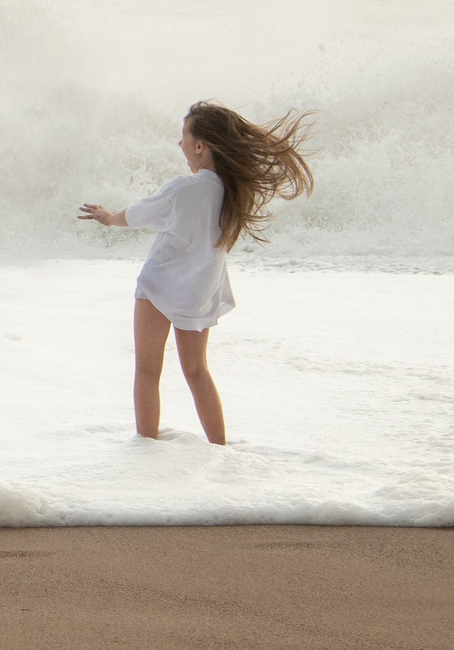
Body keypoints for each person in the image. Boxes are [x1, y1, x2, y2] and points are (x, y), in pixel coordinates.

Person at [79, 102, 315, 444]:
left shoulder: (184, 188)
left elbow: (140, 214)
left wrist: (108, 217)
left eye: (184, 137)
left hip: (159, 286)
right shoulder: (233, 194)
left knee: (147, 370)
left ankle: (146, 447)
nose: (180, 144)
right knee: (197, 371)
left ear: (200, 146)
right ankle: (219, 447)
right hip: (201, 293)